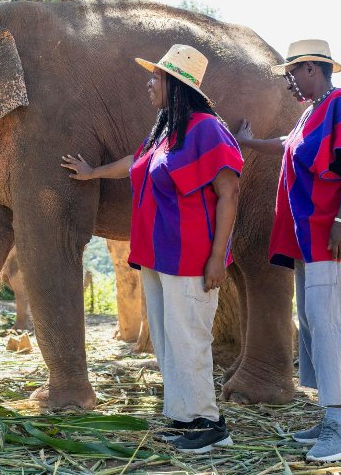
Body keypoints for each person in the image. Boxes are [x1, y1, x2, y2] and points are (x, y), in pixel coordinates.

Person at [61, 44, 243, 453]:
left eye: (156, 77)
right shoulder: (167, 130)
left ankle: (209, 424)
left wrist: (218, 257)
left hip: (191, 257)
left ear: (176, 85)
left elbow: (229, 191)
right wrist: (92, 174)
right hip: (158, 256)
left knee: (189, 337)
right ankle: (182, 418)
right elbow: (135, 161)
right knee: (166, 338)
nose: (148, 83)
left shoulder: (207, 129)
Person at [235, 39, 341, 463]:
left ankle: (340, 426)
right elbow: (287, 144)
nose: (288, 83)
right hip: (309, 240)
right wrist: (249, 143)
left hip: (331, 235)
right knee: (317, 324)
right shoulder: (312, 115)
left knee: (330, 323)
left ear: (313, 69)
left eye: (292, 74)